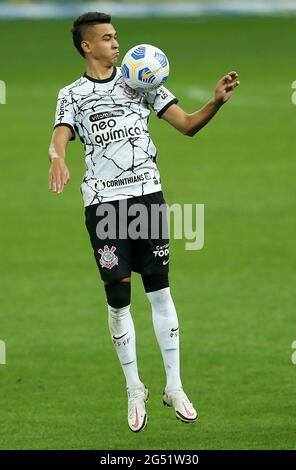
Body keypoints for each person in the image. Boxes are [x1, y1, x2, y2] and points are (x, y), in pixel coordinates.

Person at [48, 11, 239, 432]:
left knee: (160, 290)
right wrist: (57, 157)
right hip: (103, 204)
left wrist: (216, 102)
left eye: (116, 36)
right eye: (107, 38)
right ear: (87, 46)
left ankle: (174, 385)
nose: (116, 43)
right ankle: (135, 386)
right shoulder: (72, 94)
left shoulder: (141, 78)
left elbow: (187, 126)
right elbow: (60, 133)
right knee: (118, 299)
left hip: (146, 196)